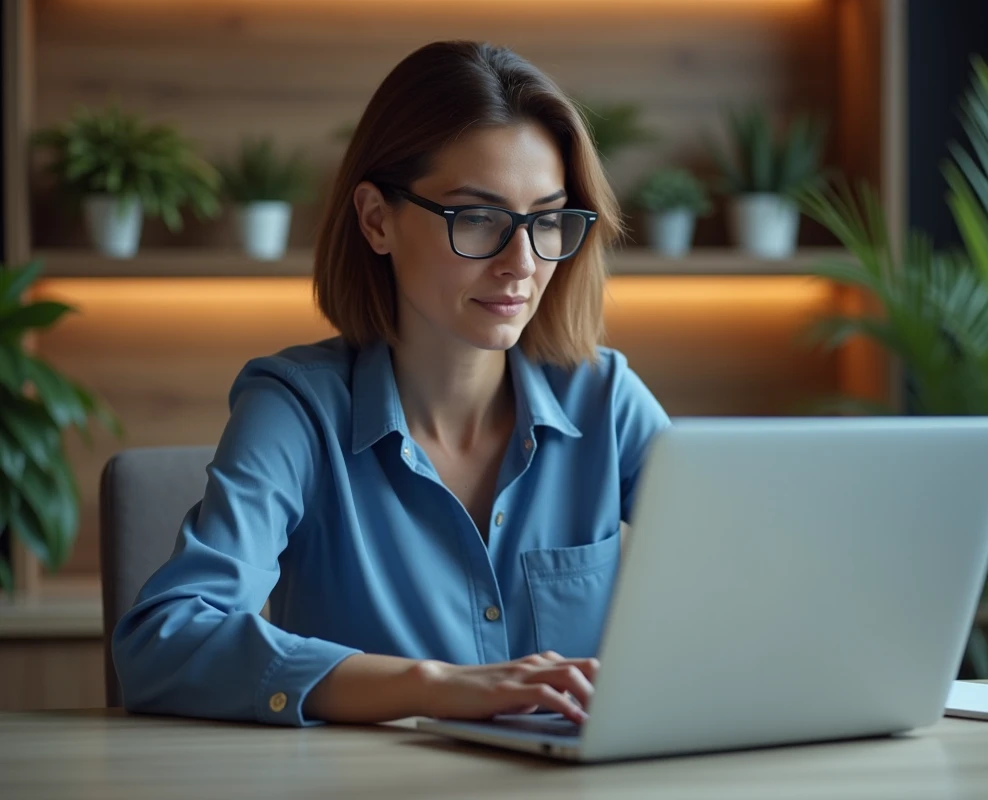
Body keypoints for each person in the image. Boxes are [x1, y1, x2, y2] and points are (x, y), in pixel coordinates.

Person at [111, 40, 670, 728]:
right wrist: (436, 687)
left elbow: (763, 582)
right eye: (479, 217)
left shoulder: (606, 399)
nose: (522, 263)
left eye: (547, 219)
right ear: (378, 219)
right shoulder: (297, 409)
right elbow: (161, 644)